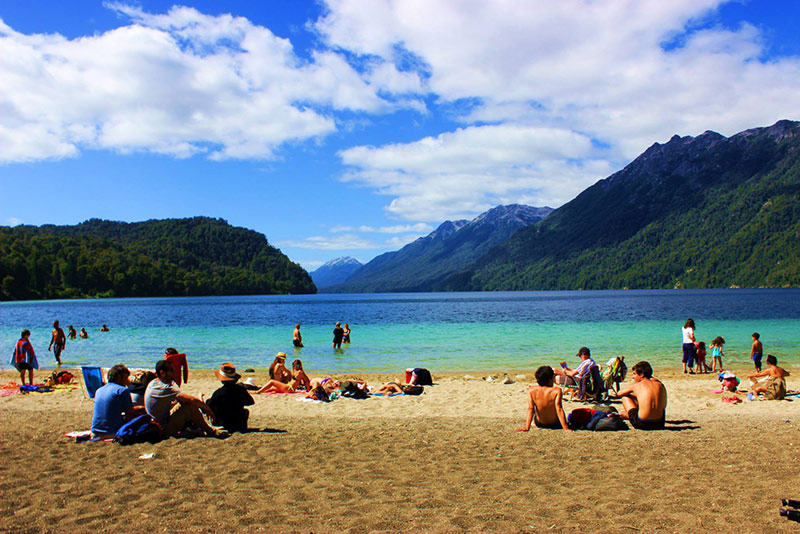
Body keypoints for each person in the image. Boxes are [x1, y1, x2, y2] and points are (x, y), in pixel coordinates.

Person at [144, 360, 224, 438]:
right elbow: (192, 399)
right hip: (162, 428)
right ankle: (210, 431)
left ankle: (198, 426)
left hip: (156, 422)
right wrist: (208, 409)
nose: (174, 372)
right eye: (171, 370)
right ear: (162, 373)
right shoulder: (164, 388)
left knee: (184, 402)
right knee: (189, 407)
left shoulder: (154, 383)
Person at [91, 364, 144, 437]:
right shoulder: (122, 390)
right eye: (126, 378)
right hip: (112, 431)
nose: (127, 381)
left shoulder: (99, 390)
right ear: (119, 378)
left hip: (95, 431)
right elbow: (130, 412)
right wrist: (143, 408)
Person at [516, 366, 573, 432]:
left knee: (536, 416)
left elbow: (531, 409)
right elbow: (559, 409)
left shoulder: (532, 390)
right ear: (550, 379)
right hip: (555, 424)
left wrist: (527, 427)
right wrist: (566, 428)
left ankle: (533, 423)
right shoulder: (557, 391)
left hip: (540, 423)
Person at [616, 361, 667, 430]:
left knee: (625, 397)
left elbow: (619, 393)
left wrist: (632, 390)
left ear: (642, 375)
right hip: (660, 423)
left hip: (642, 424)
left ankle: (627, 415)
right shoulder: (660, 384)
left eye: (634, 374)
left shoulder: (637, 386)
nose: (633, 377)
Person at [206, 363, 254, 433]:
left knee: (210, 402)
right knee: (245, 411)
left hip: (222, 421)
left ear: (222, 380)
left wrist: (201, 398)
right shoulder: (241, 390)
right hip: (238, 421)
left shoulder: (218, 393)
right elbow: (250, 402)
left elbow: (207, 407)